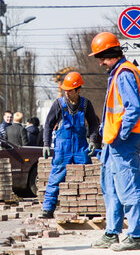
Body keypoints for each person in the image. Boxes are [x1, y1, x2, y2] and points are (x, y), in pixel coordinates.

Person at [88, 32, 140, 251]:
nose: (100, 62)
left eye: (102, 58)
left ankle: (136, 235)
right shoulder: (117, 74)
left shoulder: (124, 74)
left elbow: (133, 109)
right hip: (112, 142)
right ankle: (112, 232)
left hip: (123, 140)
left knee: (128, 187)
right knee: (111, 188)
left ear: (112, 54)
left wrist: (121, 135)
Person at [40, 71, 101, 219]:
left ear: (78, 89)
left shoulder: (86, 104)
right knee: (56, 176)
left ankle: (90, 208)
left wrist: (93, 140)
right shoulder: (58, 104)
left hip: (81, 147)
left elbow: (94, 123)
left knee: (86, 176)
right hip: (63, 147)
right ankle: (47, 209)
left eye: (70, 90)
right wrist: (46, 143)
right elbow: (48, 124)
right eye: (65, 90)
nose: (66, 92)